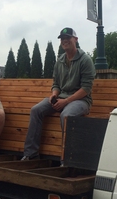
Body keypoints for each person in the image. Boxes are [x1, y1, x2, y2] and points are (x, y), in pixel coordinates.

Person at [21, 27, 96, 160]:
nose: (65, 40)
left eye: (68, 38)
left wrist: (66, 101)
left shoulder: (85, 60)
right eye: (62, 38)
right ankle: (30, 154)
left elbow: (86, 89)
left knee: (66, 115)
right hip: (61, 97)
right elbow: (56, 84)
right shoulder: (59, 60)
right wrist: (54, 95)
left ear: (76, 40)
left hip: (81, 101)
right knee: (36, 110)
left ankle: (67, 159)